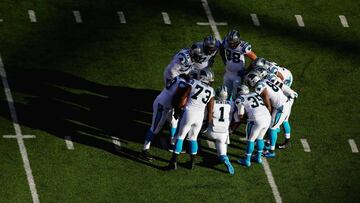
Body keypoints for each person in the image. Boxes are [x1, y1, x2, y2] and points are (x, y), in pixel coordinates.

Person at [167, 69, 215, 170]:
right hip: (200, 116)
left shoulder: (193, 82)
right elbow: (210, 110)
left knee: (180, 136)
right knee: (193, 138)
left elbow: (184, 96)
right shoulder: (211, 90)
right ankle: (191, 163)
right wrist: (208, 123)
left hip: (189, 112)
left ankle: (173, 162)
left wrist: (177, 109)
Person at [140, 74, 190, 162]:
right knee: (155, 128)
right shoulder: (183, 84)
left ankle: (172, 143)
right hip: (162, 106)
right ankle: (144, 150)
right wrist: (178, 110)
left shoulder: (180, 79)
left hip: (168, 104)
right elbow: (176, 98)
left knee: (174, 122)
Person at [245, 70, 291, 158]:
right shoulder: (264, 81)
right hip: (283, 103)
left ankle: (271, 150)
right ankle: (269, 143)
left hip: (281, 107)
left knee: (272, 128)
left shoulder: (259, 87)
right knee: (272, 126)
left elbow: (267, 103)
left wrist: (268, 114)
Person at [235, 84, 271, 167]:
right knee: (260, 138)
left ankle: (247, 160)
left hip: (256, 119)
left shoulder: (240, 99)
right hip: (267, 116)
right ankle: (258, 158)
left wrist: (245, 119)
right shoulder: (255, 94)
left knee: (251, 140)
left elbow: (240, 115)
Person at [219, 29, 257, 99]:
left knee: (236, 96)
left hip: (238, 75)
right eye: (230, 43)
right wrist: (224, 59)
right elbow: (221, 48)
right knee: (224, 95)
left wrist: (246, 71)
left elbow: (255, 59)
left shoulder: (243, 47)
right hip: (228, 73)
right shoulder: (226, 42)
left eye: (233, 43)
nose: (231, 45)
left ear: (238, 41)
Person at [206, 85, 235, 175]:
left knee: (197, 129)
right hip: (223, 132)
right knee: (222, 153)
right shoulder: (231, 104)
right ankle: (225, 159)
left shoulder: (213, 103)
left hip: (211, 132)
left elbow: (207, 115)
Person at [265, 73, 298, 149]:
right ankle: (271, 136)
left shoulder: (274, 82)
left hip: (287, 99)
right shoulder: (273, 79)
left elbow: (285, 89)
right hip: (284, 99)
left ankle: (286, 141)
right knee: (277, 121)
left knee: (284, 120)